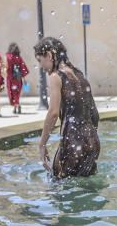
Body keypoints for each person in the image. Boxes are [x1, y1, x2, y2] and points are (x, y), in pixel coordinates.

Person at [36, 37, 101, 178]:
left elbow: (53, 113)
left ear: (49, 55)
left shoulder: (56, 77)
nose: (41, 67)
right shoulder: (80, 75)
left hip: (73, 142)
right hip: (93, 141)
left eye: (40, 61)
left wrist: (42, 144)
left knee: (59, 187)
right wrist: (89, 138)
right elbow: (95, 115)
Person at [5, 43, 29, 114]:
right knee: (17, 93)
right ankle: (16, 106)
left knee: (11, 93)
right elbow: (23, 68)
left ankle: (16, 105)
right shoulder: (19, 58)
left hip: (10, 79)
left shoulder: (8, 57)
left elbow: (6, 67)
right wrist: (24, 79)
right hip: (18, 79)